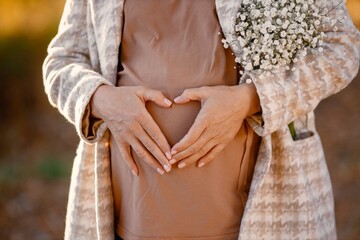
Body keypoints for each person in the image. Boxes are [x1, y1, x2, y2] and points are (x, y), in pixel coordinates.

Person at [42, 0, 359, 239]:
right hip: (134, 210)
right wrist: (102, 99)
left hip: (256, 211)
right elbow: (62, 59)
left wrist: (251, 99)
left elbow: (342, 46)